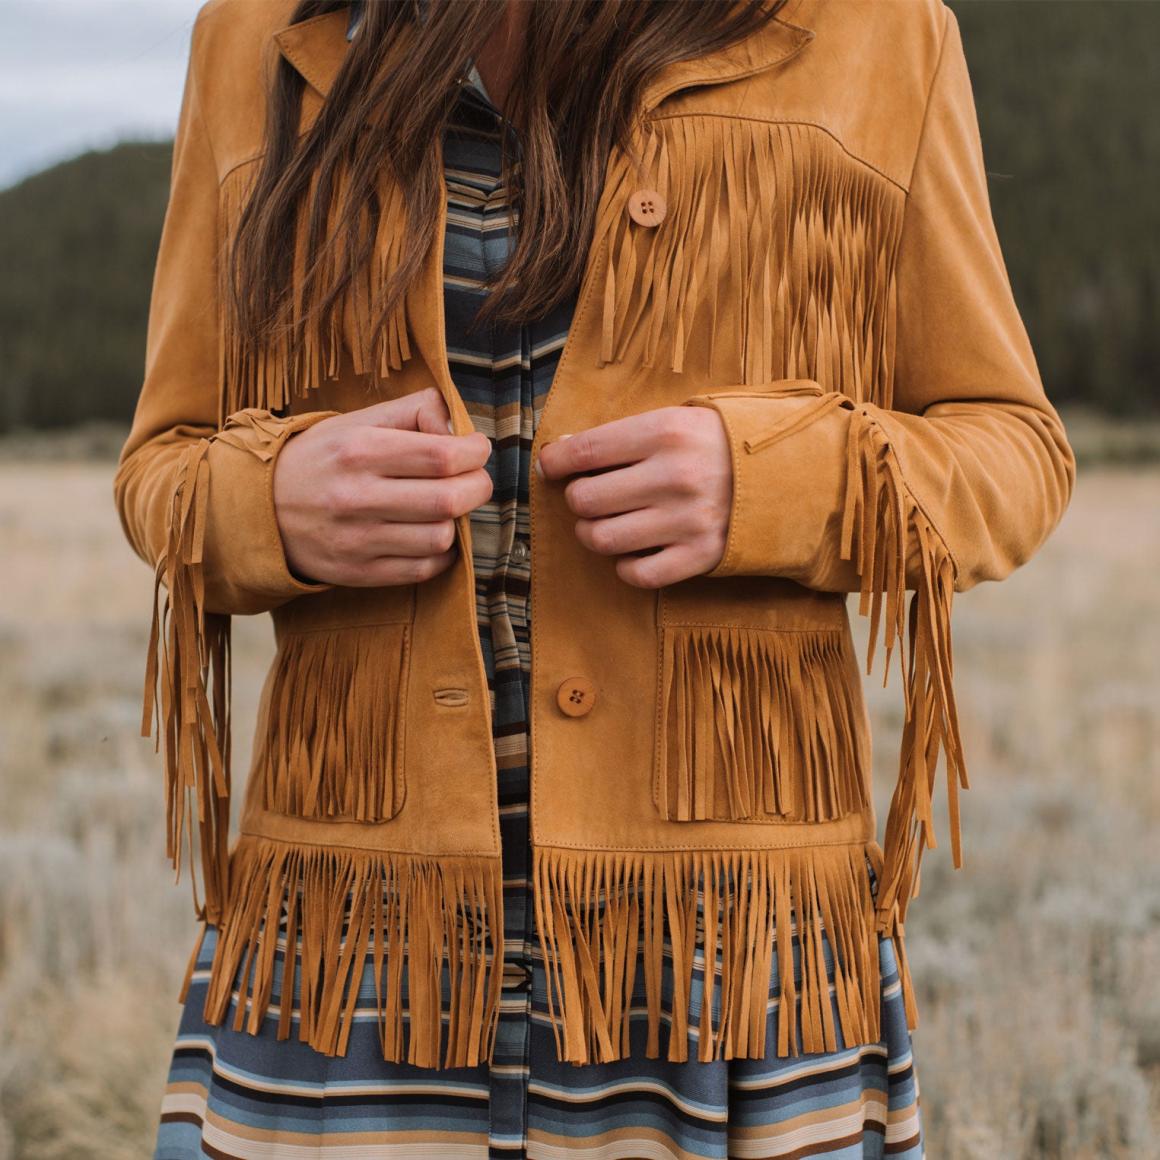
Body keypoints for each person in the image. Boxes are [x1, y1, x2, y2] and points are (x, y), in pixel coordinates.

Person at [115, 0, 1075, 1156]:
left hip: (728, 957)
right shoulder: (261, 35)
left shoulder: (876, 30)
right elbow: (160, 471)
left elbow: (1013, 451)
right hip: (353, 951)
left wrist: (774, 480)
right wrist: (269, 503)